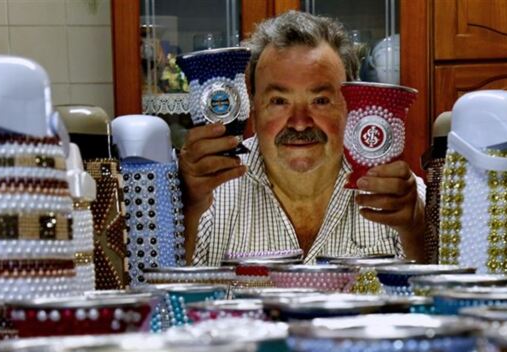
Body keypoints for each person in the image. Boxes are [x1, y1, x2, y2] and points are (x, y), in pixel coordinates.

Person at [179, 11, 427, 265]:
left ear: (351, 104)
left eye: (319, 101)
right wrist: (187, 208)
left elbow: (439, 292)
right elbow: (166, 290)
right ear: (253, 106)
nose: (299, 123)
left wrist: (415, 229)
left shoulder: (398, 196)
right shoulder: (209, 196)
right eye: (279, 101)